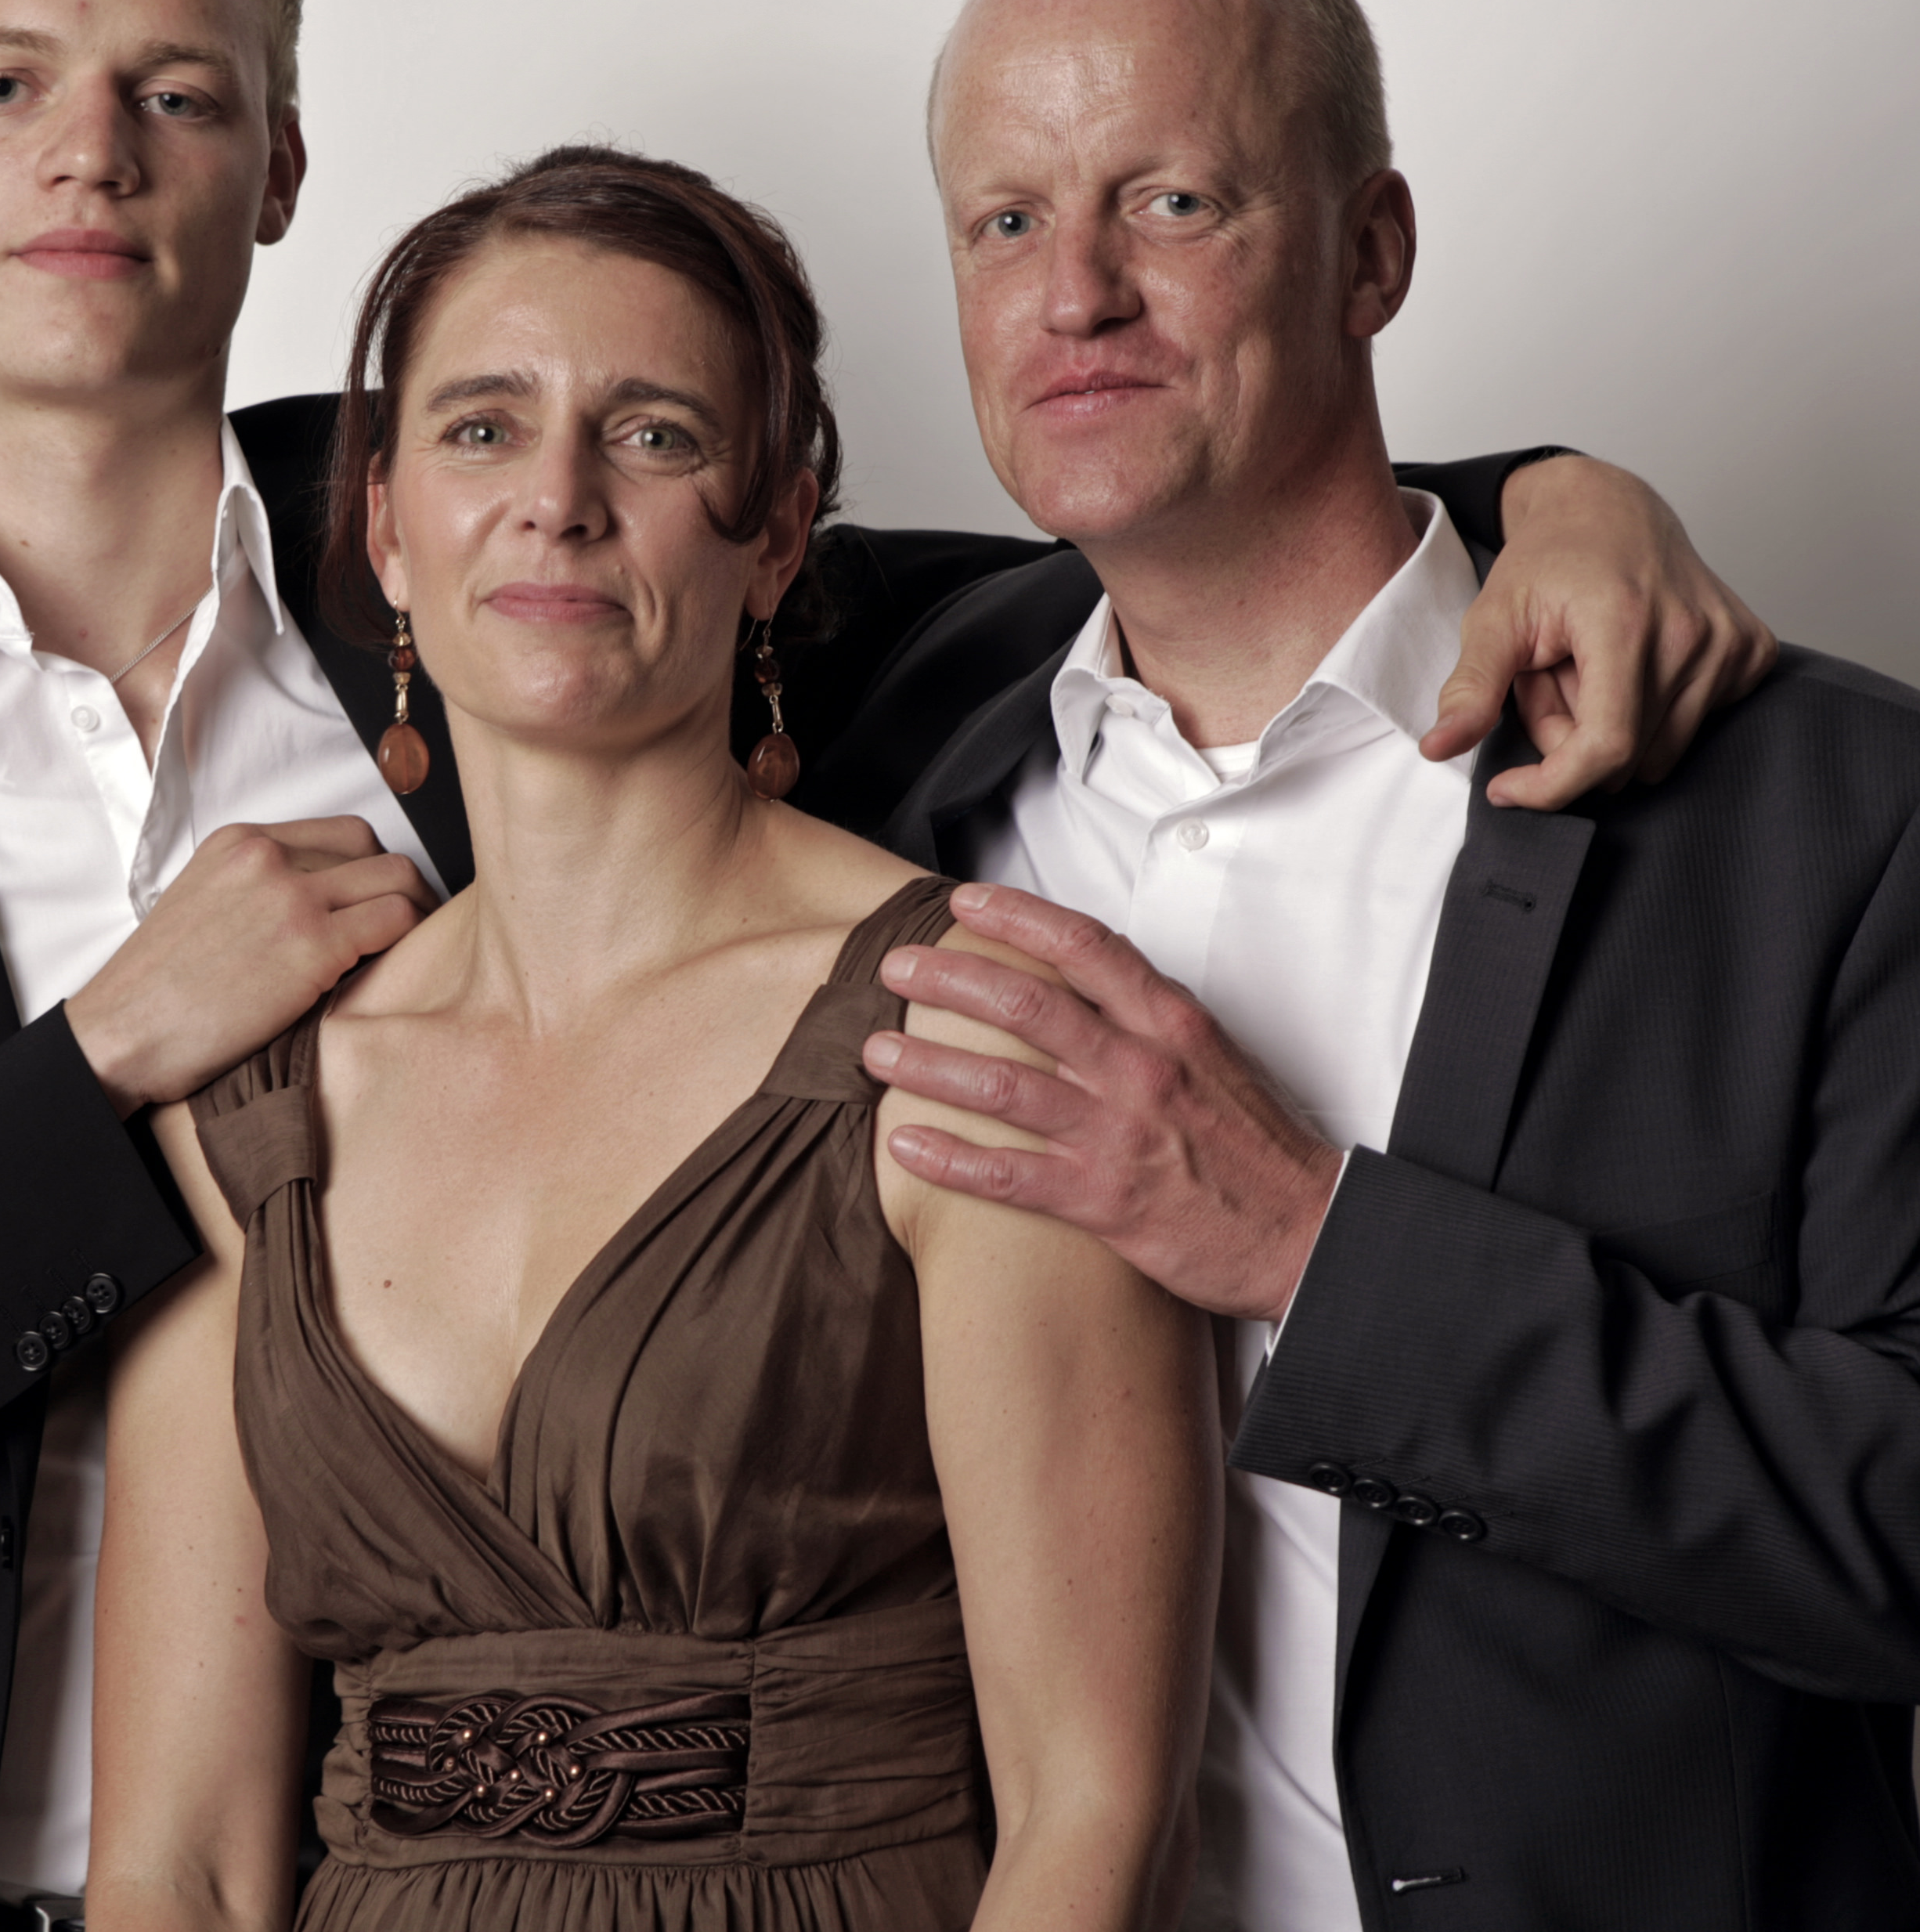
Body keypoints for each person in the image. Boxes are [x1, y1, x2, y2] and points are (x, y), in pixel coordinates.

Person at [0, 0, 1765, 1927]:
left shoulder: (527, 559)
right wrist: (92, 1079)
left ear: (280, 162)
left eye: (178, 92)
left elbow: (1192, 522)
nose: (91, 157)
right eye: (1, 82)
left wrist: (1556, 503)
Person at [839, 0, 1920, 1927]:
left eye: (1172, 202)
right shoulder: (876, 722)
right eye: (1005, 220)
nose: (1073, 291)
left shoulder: (1847, 819)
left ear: (1372, 250)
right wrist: (1563, 482)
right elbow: (477, 497)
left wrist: (1310, 1240)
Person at [89, 146, 1216, 1930]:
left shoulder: (976, 1030)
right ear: (386, 529)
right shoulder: (248, 1108)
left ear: (778, 535)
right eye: (481, 429)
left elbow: (1092, 1814)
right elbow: (177, 1867)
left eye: (654, 435)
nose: (558, 502)